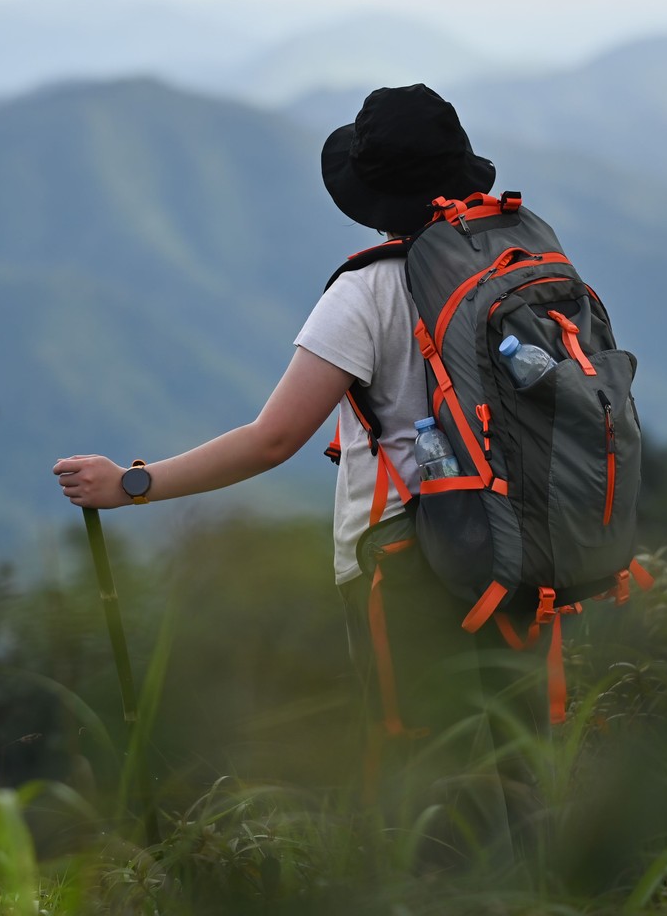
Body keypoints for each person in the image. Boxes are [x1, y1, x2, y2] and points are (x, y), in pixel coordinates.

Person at [53, 85, 532, 805]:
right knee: (514, 761)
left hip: (409, 566)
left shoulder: (367, 292)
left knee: (420, 779)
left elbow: (273, 439)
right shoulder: (515, 263)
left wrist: (133, 484)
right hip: (520, 543)